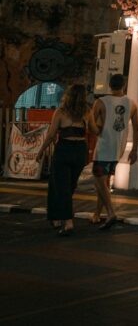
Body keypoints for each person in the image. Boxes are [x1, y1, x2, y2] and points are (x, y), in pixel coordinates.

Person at [35, 84, 90, 236]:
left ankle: (67, 222)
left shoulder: (60, 112)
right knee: (69, 187)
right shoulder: (86, 113)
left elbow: (51, 135)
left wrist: (40, 152)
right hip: (80, 151)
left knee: (59, 186)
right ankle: (59, 217)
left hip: (64, 150)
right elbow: (92, 130)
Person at [91, 73, 138, 231]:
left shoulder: (100, 102)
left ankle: (110, 212)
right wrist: (135, 149)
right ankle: (97, 213)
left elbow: (91, 125)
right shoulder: (132, 104)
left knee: (99, 181)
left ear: (109, 85)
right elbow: (137, 128)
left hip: (103, 147)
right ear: (124, 85)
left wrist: (97, 130)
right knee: (103, 183)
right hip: (119, 149)